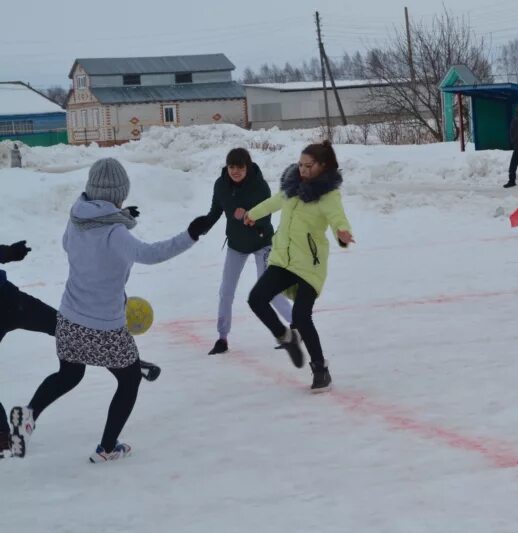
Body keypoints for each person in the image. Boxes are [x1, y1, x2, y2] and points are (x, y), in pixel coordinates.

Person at [9, 158, 208, 462]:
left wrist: (119, 218)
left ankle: (27, 417)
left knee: (70, 373)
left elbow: (68, 244)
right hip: (104, 325)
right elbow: (149, 254)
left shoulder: (76, 218)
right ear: (119, 193)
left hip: (70, 318)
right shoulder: (116, 234)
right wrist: (190, 235)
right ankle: (107, 447)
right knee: (128, 381)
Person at [0, 240, 161, 459]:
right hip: (9, 300)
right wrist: (7, 253)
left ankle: (10, 430)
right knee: (70, 334)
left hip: (8, 299)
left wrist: (8, 253)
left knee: (70, 342)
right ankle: (129, 364)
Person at [243, 141, 354, 393]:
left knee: (303, 315)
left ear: (322, 166)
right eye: (300, 164)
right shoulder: (292, 188)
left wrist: (343, 233)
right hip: (283, 259)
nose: (302, 169)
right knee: (256, 299)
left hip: (309, 265)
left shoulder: (328, 195)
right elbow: (273, 202)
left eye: (308, 166)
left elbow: (338, 218)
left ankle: (320, 369)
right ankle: (285, 337)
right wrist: (253, 213)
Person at [199, 148, 292, 355]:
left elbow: (266, 217)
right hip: (236, 244)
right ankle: (222, 338)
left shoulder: (259, 186)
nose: (235, 171)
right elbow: (215, 211)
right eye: (232, 167)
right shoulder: (221, 185)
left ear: (247, 167)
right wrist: (201, 227)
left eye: (240, 167)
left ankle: (297, 325)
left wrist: (249, 215)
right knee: (226, 292)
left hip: (263, 243)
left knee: (270, 291)